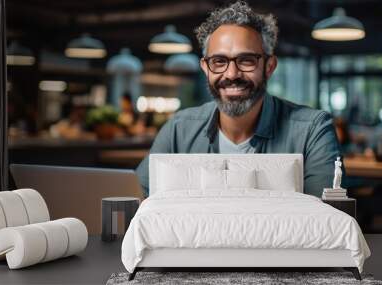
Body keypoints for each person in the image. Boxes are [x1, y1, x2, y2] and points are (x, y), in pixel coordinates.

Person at [135, 1, 341, 198]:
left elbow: (326, 219)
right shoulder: (179, 130)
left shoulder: (312, 130)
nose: (232, 74)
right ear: (206, 68)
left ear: (269, 66)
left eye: (246, 60)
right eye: (219, 61)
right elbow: (136, 197)